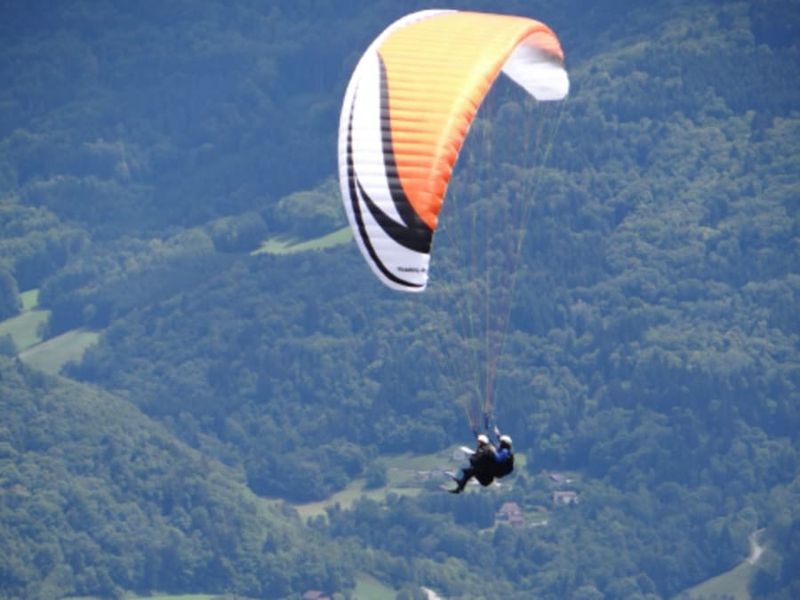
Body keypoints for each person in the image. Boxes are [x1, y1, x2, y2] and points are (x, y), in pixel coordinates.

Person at [449, 432, 514, 494]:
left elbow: (498, 458)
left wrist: (492, 451)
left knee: (473, 468)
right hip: (488, 475)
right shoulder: (503, 451)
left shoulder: (505, 451)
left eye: (501, 442)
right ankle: (460, 486)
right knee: (471, 470)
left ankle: (461, 486)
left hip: (490, 473)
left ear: (504, 444)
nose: (500, 444)